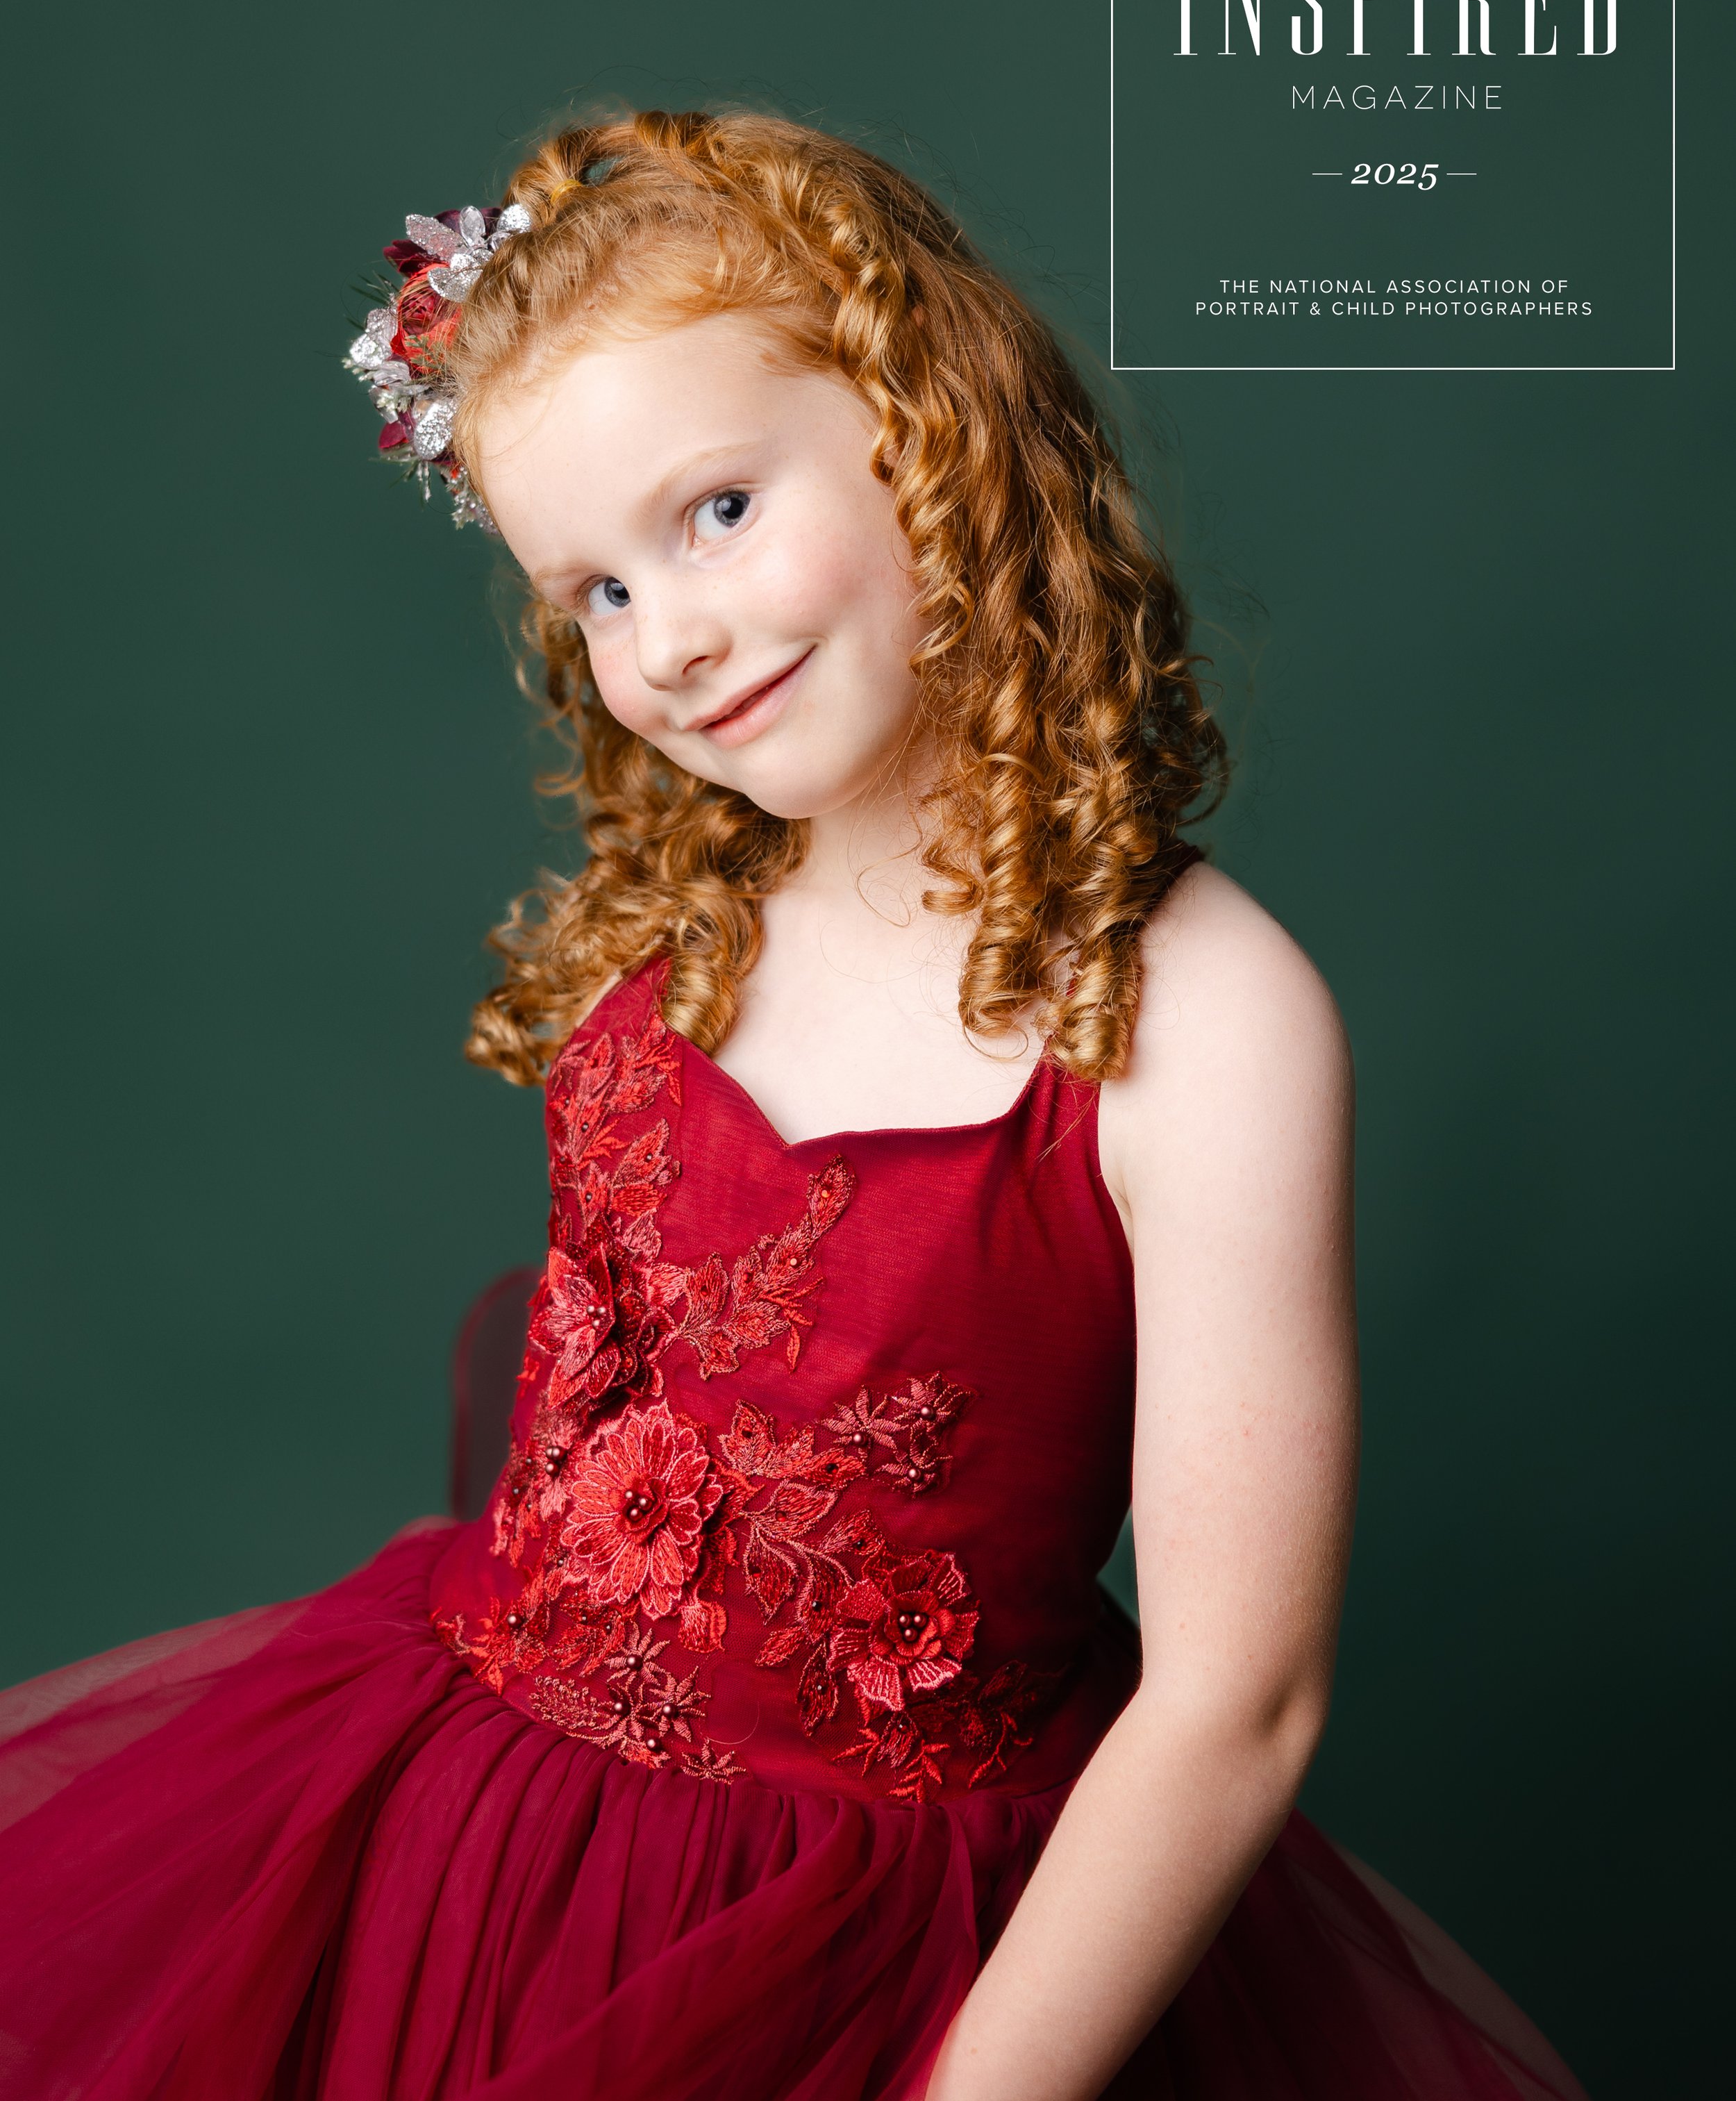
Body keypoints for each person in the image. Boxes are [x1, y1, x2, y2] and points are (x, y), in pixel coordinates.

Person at [0, 110, 1587, 2101]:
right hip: (475, 1837)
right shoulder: (696, 914)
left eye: (717, 510)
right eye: (588, 590)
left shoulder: (1203, 1016)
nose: (663, 639)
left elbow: (1236, 1702)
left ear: (925, 425)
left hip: (879, 1957)